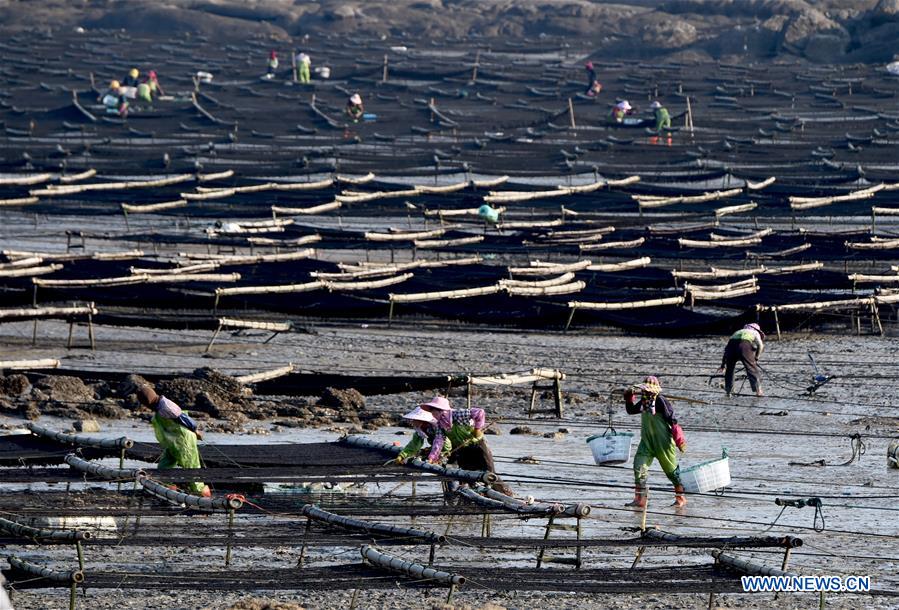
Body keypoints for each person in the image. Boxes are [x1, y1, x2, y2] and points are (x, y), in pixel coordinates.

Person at [416, 396, 513, 496]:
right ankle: (478, 496)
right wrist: (432, 458)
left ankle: (507, 494)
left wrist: (477, 429)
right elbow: (439, 441)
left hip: (477, 445)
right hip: (462, 449)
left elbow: (479, 412)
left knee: (489, 473)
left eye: (433, 412)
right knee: (467, 474)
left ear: (441, 411)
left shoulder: (457, 414)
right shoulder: (440, 425)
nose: (432, 415)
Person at [135, 385, 211, 497]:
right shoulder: (158, 406)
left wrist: (196, 431)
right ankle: (168, 489)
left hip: (184, 441)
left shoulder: (166, 406)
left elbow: (184, 419)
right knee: (164, 466)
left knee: (191, 468)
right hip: (173, 442)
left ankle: (202, 496)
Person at [624, 376, 687, 508]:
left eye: (647, 391)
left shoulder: (660, 401)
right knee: (639, 467)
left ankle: (680, 497)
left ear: (654, 391)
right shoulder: (644, 402)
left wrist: (679, 440)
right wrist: (628, 398)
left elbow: (673, 421)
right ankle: (640, 499)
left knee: (671, 471)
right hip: (647, 441)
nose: (644, 393)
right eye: (643, 391)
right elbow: (631, 410)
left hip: (663, 443)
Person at [718, 323, 765, 397]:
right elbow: (760, 345)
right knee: (751, 368)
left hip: (731, 347)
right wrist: (756, 357)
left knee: (729, 369)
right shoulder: (755, 332)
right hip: (744, 346)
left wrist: (723, 364)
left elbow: (727, 350)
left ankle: (729, 391)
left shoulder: (737, 332)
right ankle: (758, 391)